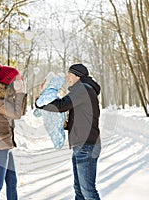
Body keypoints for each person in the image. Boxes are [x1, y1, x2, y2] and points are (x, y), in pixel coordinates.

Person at [36, 63, 101, 200]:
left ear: (77, 75)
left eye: (70, 74)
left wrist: (41, 103)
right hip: (81, 145)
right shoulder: (83, 90)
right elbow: (78, 116)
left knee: (88, 191)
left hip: (86, 146)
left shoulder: (83, 89)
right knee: (79, 190)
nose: (67, 77)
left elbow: (61, 105)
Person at [0, 63, 26, 200]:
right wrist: (20, 93)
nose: (17, 83)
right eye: (16, 80)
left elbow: (21, 111)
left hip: (5, 144)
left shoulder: (4, 96)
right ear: (9, 82)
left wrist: (21, 92)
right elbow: (16, 113)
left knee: (12, 182)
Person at [33, 73, 66, 149]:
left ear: (48, 83)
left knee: (57, 137)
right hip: (53, 124)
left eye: (44, 82)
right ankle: (59, 146)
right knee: (57, 137)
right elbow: (38, 112)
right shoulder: (48, 94)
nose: (41, 84)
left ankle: (59, 147)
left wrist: (37, 102)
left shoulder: (50, 94)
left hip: (54, 123)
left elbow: (40, 103)